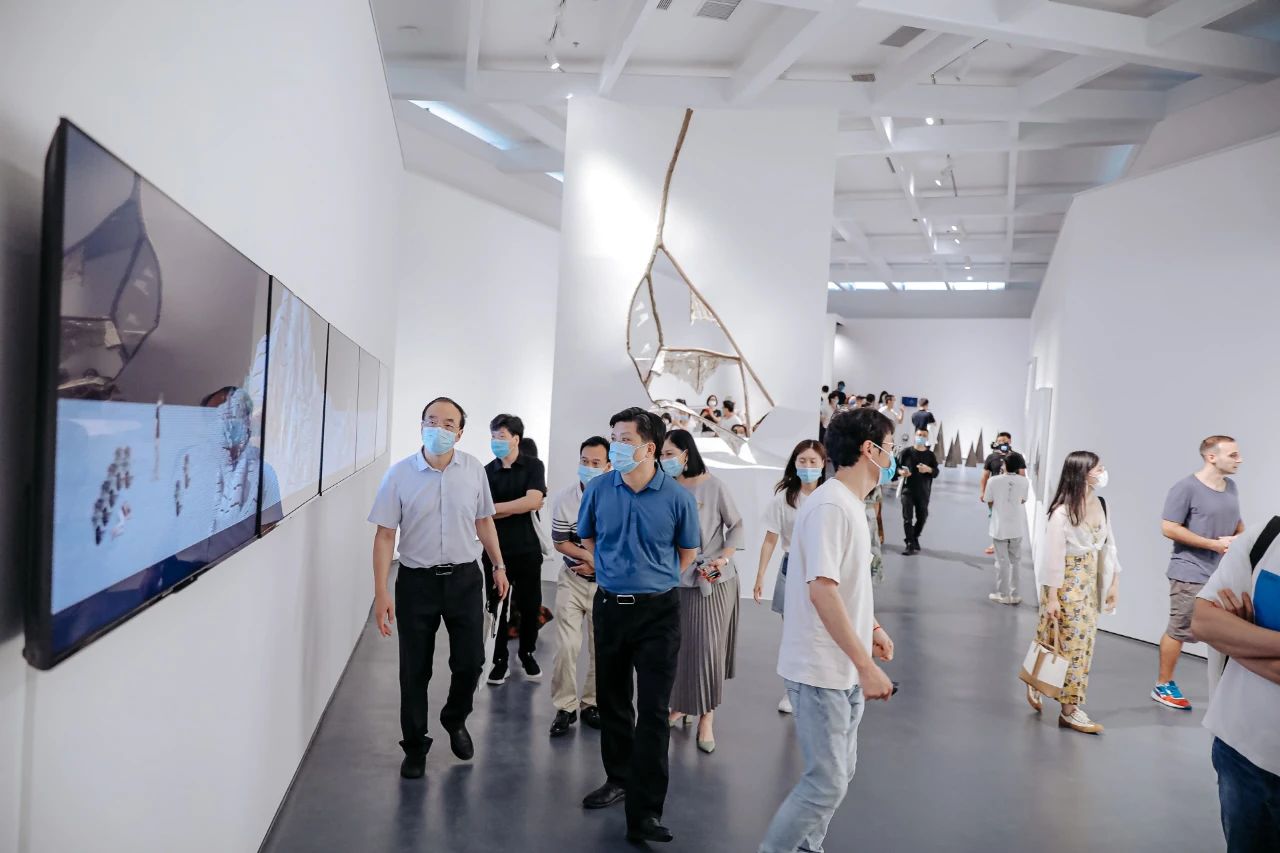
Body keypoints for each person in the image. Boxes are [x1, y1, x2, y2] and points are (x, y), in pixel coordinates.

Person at [759, 407, 897, 853]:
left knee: (839, 774)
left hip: (841, 669)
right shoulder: (832, 506)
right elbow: (822, 590)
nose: (893, 456)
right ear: (870, 450)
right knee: (826, 782)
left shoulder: (847, 504)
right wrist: (866, 666)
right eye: (890, 447)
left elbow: (844, 581)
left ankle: (806, 847)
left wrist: (871, 625)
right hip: (820, 669)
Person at [367, 397, 510, 779]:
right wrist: (381, 591)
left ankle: (454, 716)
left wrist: (498, 565)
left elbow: (484, 521)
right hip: (417, 582)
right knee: (414, 670)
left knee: (471, 661)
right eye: (432, 421)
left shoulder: (473, 469)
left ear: (459, 433)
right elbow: (385, 535)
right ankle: (415, 745)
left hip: (465, 579)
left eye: (448, 424)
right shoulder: (399, 475)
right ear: (421, 426)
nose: (439, 429)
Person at [578, 407, 700, 844]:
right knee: (612, 701)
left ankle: (646, 811)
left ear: (649, 448)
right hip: (610, 607)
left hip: (658, 613)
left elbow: (687, 552)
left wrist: (654, 579)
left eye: (624, 439)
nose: (616, 446)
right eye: (614, 437)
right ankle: (619, 778)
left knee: (652, 710)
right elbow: (588, 538)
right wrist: (615, 572)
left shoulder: (678, 498)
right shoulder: (598, 489)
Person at [1191, 518, 1280, 852]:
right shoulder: (1266, 537)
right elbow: (1203, 621)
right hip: (1240, 751)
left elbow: (1220, 632)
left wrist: (1242, 638)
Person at [661, 428, 744, 754]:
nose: (665, 460)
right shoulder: (664, 486)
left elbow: (736, 525)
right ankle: (680, 705)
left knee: (708, 649)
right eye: (662, 455)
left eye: (670, 454)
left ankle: (707, 716)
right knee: (679, 648)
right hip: (674, 579)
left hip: (712, 580)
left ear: (686, 453)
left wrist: (724, 558)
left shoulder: (714, 485)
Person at [1025, 451, 1121, 735]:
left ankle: (1038, 681)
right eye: (1098, 469)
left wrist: (1114, 582)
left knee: (1081, 644)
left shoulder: (1101, 504)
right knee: (1069, 646)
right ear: (1082, 473)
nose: (1103, 473)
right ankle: (1069, 710)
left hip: (1090, 583)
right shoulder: (1062, 512)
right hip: (1067, 585)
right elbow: (1053, 559)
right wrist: (1053, 598)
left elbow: (1110, 546)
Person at [1154, 435, 1245, 711]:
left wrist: (1239, 540)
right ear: (1211, 457)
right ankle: (1163, 685)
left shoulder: (1231, 487)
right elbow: (1169, 527)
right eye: (1233, 455)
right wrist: (1213, 544)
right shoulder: (1185, 488)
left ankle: (1224, 688)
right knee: (1180, 628)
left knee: (1224, 631)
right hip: (1189, 571)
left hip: (1221, 573)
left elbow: (1237, 523)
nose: (1239, 460)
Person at [753, 439, 828, 714]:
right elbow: (770, 540)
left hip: (823, 570)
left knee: (820, 632)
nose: (807, 466)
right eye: (802, 461)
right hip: (792, 567)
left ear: (823, 464)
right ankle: (792, 690)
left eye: (813, 461)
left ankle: (818, 688)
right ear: (794, 464)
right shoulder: (784, 499)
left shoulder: (831, 496)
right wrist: (760, 575)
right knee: (794, 634)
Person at [548, 436, 611, 737]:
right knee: (566, 647)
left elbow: (622, 545)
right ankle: (565, 707)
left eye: (596, 463)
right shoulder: (565, 498)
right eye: (584, 461)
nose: (589, 467)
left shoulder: (619, 499)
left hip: (606, 587)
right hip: (572, 581)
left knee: (602, 648)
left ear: (609, 466)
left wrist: (598, 566)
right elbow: (561, 542)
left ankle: (592, 703)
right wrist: (590, 558)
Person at [483, 414, 548, 686]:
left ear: (516, 439)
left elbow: (533, 501)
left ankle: (526, 653)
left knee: (530, 606)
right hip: (495, 551)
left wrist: (496, 508)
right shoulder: (486, 471)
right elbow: (481, 512)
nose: (496, 441)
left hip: (527, 549)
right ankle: (499, 661)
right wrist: (518, 505)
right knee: (496, 607)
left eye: (501, 436)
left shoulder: (533, 466)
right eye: (493, 436)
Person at [985, 453, 1029, 604]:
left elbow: (988, 500)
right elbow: (1023, 500)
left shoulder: (993, 480)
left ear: (1004, 464)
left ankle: (1003, 594)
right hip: (1016, 526)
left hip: (1000, 526)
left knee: (1001, 562)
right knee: (1015, 561)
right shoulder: (1024, 481)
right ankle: (1015, 594)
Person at [897, 429, 939, 555]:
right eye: (919, 435)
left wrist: (928, 469)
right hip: (907, 490)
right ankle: (909, 543)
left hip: (923, 492)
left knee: (922, 517)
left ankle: (914, 537)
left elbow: (936, 472)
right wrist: (901, 472)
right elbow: (896, 467)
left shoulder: (930, 455)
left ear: (927, 438)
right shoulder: (906, 452)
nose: (921, 437)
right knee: (907, 518)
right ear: (915, 436)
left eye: (924, 435)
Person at [981, 433, 1024, 555]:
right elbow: (984, 476)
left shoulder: (1017, 457)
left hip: (1012, 494)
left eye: (1004, 440)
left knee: (1010, 518)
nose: (1001, 443)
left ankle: (1009, 542)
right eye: (999, 441)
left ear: (1010, 441)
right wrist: (982, 492)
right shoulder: (991, 457)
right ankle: (995, 543)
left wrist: (1021, 494)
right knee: (995, 518)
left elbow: (1022, 476)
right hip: (995, 494)